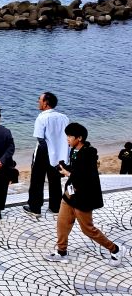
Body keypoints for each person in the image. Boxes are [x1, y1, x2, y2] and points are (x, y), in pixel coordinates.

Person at [43, 123, 126, 266]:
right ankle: (61, 252)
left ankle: (116, 249)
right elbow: (74, 169)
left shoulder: (89, 153)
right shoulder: (74, 150)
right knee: (62, 223)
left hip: (83, 198)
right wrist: (63, 167)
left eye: (70, 136)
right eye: (67, 136)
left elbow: (84, 176)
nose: (67, 139)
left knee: (88, 229)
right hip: (70, 194)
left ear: (79, 138)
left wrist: (68, 173)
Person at [24, 91, 69, 218]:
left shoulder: (42, 117)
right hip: (59, 153)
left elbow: (40, 139)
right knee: (55, 181)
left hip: (44, 152)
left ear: (46, 103)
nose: (38, 101)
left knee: (37, 180)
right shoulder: (64, 117)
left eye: (40, 99)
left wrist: (46, 154)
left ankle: (35, 208)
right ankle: (55, 207)